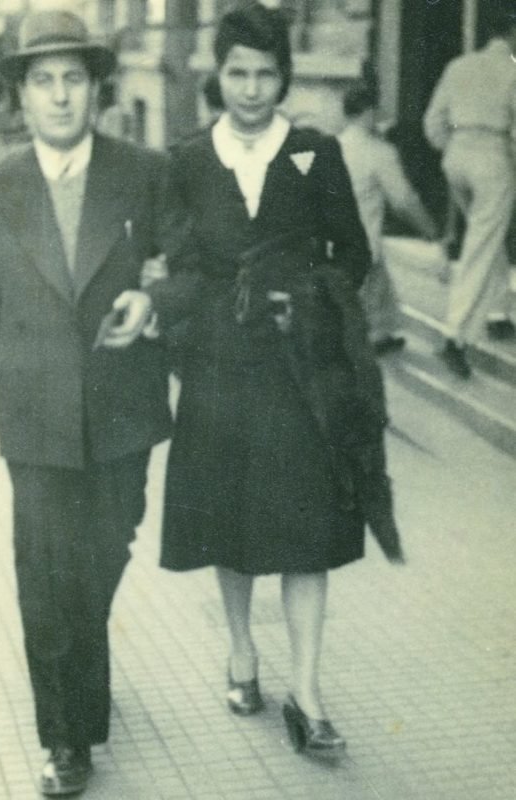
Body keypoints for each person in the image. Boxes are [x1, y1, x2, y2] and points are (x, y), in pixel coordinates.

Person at [113, 2, 402, 761]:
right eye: (238, 72)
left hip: (300, 374)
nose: (251, 89)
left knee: (307, 533)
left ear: (285, 75)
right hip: (216, 370)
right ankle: (242, 652)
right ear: (218, 75)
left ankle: (307, 692)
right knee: (231, 524)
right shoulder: (188, 161)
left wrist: (311, 299)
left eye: (266, 73)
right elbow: (181, 266)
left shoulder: (312, 153)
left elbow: (353, 254)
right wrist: (160, 306)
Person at [0, 10, 189, 796]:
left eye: (74, 79)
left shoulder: (142, 170)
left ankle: (80, 671)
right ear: (23, 95)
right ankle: (65, 739)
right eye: (45, 82)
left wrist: (153, 299)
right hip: (35, 418)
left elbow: (185, 264)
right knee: (44, 576)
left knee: (101, 557)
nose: (62, 97)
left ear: (96, 88)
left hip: (121, 414)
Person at [423, 8, 516, 378]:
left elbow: (433, 121)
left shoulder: (459, 66)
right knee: (481, 246)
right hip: (491, 161)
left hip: (456, 158)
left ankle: (497, 314)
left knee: (485, 238)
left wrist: (453, 150)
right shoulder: (513, 69)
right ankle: (454, 337)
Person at [339, 83, 439, 355]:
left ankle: (377, 335)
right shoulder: (378, 152)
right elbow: (404, 200)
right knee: (370, 291)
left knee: (375, 288)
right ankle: (371, 339)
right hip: (362, 243)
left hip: (330, 240)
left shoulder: (332, 145)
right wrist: (428, 229)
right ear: (370, 111)